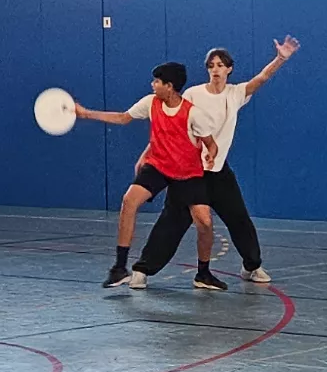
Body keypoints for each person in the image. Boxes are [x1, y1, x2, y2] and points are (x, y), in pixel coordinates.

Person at [138, 36, 299, 284]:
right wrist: (148, 152)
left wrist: (280, 58)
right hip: (189, 172)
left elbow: (262, 78)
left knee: (239, 219)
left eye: (220, 65)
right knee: (172, 221)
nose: (216, 69)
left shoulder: (236, 94)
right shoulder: (192, 94)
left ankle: (252, 266)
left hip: (218, 171)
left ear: (229, 69)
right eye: (211, 65)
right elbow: (169, 125)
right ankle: (142, 270)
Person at [74, 62, 222, 290]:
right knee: (129, 201)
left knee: (204, 222)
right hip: (159, 166)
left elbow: (211, 145)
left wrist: (210, 157)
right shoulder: (150, 103)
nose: (152, 85)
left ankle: (203, 274)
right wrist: (86, 113)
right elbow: (123, 118)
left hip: (188, 172)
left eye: (157, 82)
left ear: (170, 86)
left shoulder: (193, 113)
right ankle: (120, 268)